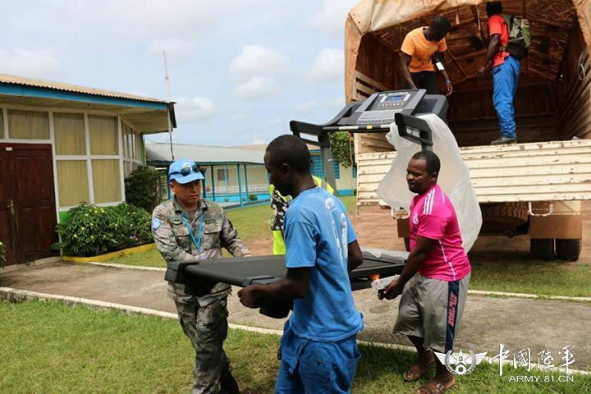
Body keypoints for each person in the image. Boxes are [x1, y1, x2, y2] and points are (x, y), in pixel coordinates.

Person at [238, 135, 364, 393]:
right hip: (305, 329)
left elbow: (297, 286)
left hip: (322, 339)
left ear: (285, 170)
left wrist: (259, 293)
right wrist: (328, 278)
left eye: (269, 171)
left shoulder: (298, 213)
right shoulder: (331, 201)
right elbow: (355, 257)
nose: (269, 179)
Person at [152, 158, 250, 394]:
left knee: (206, 346)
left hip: (214, 290)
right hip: (184, 292)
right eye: (187, 185)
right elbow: (170, 252)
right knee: (204, 344)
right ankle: (228, 383)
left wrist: (247, 260)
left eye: (197, 183)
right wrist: (207, 265)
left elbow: (232, 240)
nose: (194, 189)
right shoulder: (163, 213)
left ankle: (204, 390)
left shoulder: (215, 210)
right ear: (173, 185)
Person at [383, 151, 471, 394]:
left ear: (433, 176)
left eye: (416, 174)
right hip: (424, 272)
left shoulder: (435, 206)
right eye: (408, 172)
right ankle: (426, 358)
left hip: (446, 276)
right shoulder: (419, 198)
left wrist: (400, 283)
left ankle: (445, 376)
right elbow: (418, 253)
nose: (410, 177)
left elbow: (420, 253)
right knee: (408, 319)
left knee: (439, 331)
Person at [477, 1, 520, 145]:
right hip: (513, 62)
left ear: (488, 12)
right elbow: (501, 46)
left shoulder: (494, 19)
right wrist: (488, 69)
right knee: (507, 100)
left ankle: (508, 134)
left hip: (504, 62)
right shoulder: (507, 21)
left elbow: (495, 40)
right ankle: (509, 133)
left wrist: (483, 66)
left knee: (501, 100)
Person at [270, 174, 333, 255]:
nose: (270, 176)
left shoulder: (281, 187)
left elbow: (285, 231)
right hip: (326, 253)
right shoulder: (324, 185)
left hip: (291, 256)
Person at [400, 16, 453, 96]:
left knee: (434, 97)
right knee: (410, 98)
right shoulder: (412, 37)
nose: (444, 37)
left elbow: (439, 61)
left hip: (427, 70)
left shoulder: (440, 39)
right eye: (443, 34)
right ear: (437, 31)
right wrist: (413, 88)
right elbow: (403, 64)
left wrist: (447, 79)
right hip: (411, 72)